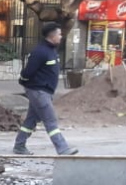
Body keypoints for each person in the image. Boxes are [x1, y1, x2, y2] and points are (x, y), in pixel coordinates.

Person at [13, 22, 78, 156]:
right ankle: (63, 148)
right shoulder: (40, 52)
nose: (61, 36)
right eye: (59, 34)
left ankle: (19, 145)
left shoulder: (51, 50)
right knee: (50, 120)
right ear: (52, 36)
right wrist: (23, 82)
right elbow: (27, 72)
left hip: (45, 91)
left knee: (31, 120)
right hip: (38, 92)